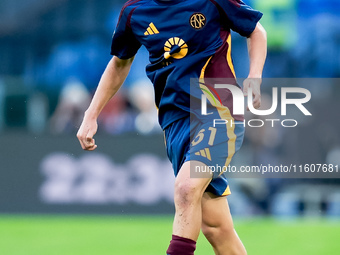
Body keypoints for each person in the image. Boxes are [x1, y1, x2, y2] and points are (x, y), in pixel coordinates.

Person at [77, 0, 267, 254]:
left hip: (218, 111)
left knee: (186, 188)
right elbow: (120, 62)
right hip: (174, 123)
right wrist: (91, 114)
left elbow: (255, 30)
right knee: (216, 228)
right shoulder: (135, 11)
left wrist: (254, 77)